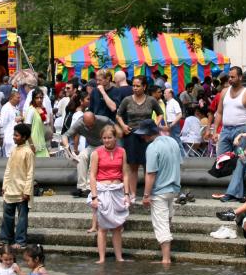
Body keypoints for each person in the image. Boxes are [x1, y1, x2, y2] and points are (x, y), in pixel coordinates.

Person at [138, 118, 182, 265]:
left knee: (161, 224)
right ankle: (166, 255)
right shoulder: (172, 141)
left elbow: (151, 174)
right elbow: (179, 163)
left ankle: (166, 259)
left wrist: (146, 195)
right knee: (167, 219)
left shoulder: (152, 148)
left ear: (148, 134)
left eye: (143, 134)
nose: (141, 137)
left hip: (160, 191)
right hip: (174, 188)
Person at [116, 75, 163, 200]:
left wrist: (155, 125)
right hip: (131, 134)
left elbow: (160, 114)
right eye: (134, 86)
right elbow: (118, 115)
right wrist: (123, 125)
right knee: (133, 166)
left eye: (138, 86)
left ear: (144, 86)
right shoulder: (127, 100)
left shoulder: (151, 100)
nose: (135, 88)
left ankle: (149, 193)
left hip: (147, 135)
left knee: (149, 164)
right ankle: (132, 194)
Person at [89, 124, 130, 263]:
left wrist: (127, 193)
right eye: (104, 138)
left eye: (109, 138)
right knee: (102, 227)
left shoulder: (122, 152)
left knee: (117, 227)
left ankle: (119, 256)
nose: (107, 140)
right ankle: (101, 258)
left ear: (115, 138)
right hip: (103, 190)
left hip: (117, 189)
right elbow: (92, 175)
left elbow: (125, 174)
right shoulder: (96, 153)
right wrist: (94, 196)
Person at [62, 110, 115, 197]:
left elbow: (116, 131)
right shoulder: (79, 123)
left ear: (95, 119)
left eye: (91, 125)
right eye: (87, 125)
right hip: (91, 146)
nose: (89, 128)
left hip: (103, 146)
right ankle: (81, 187)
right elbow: (65, 135)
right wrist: (67, 147)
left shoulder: (104, 120)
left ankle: (89, 187)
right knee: (81, 156)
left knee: (93, 156)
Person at [0, 122, 35, 250]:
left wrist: (27, 191)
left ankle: (20, 241)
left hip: (22, 190)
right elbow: (8, 169)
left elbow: (30, 173)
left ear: (24, 137)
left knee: (21, 218)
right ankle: (5, 239)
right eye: (14, 135)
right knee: (7, 215)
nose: (14, 137)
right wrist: (4, 185)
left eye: (17, 135)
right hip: (10, 188)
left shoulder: (28, 152)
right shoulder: (14, 150)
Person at [213, 66, 246, 156]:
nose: (230, 79)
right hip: (225, 131)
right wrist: (215, 131)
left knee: (241, 158)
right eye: (229, 77)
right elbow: (219, 112)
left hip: (241, 131)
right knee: (221, 159)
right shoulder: (224, 92)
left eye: (233, 77)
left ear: (240, 77)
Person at [25, 89, 49, 157]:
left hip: (41, 143)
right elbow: (27, 129)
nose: (39, 100)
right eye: (37, 98)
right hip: (34, 145)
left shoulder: (39, 109)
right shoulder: (31, 110)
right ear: (33, 99)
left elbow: (47, 121)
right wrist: (32, 145)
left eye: (41, 98)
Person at [0, 90, 22, 157]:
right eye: (18, 98)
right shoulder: (6, 108)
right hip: (9, 138)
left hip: (15, 138)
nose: (19, 100)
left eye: (20, 98)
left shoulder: (16, 107)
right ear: (11, 97)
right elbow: (2, 123)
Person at [163, 88, 183, 152]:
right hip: (170, 123)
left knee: (177, 141)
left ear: (170, 94)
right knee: (172, 142)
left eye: (165, 93)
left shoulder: (174, 102)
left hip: (173, 124)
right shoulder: (168, 103)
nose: (164, 95)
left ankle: (183, 158)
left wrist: (172, 124)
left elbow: (180, 115)